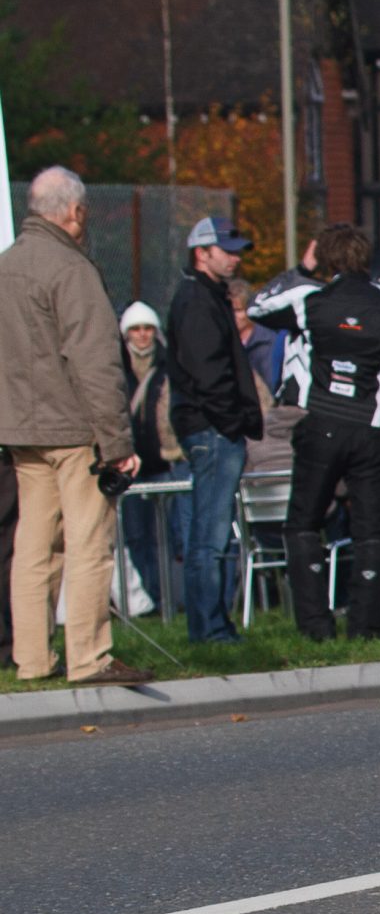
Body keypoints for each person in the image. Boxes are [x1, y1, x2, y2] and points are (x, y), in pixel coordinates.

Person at [0, 165, 150, 684]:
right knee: (90, 543)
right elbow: (96, 362)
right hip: (74, 428)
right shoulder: (71, 268)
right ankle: (89, 657)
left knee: (32, 548)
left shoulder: (6, 266)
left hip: (21, 431)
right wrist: (116, 441)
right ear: (75, 211)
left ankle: (32, 660)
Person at [248, 222, 380, 639]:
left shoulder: (308, 298)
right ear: (366, 258)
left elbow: (256, 306)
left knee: (303, 523)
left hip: (321, 424)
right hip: (373, 428)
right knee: (372, 528)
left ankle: (316, 627)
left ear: (327, 259)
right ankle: (366, 628)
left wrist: (302, 266)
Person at [164, 213, 262, 643]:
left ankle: (210, 627)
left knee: (211, 535)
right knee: (210, 536)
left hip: (211, 426)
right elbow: (209, 373)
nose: (235, 260)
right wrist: (230, 423)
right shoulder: (197, 300)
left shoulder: (205, 296)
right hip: (211, 429)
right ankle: (210, 630)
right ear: (202, 253)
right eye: (227, 251)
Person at [118, 302, 187, 609]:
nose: (142, 335)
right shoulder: (117, 368)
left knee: (168, 536)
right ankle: (150, 597)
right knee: (136, 535)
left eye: (147, 329)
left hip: (164, 462)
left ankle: (171, 597)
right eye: (135, 329)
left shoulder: (168, 365)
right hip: (128, 463)